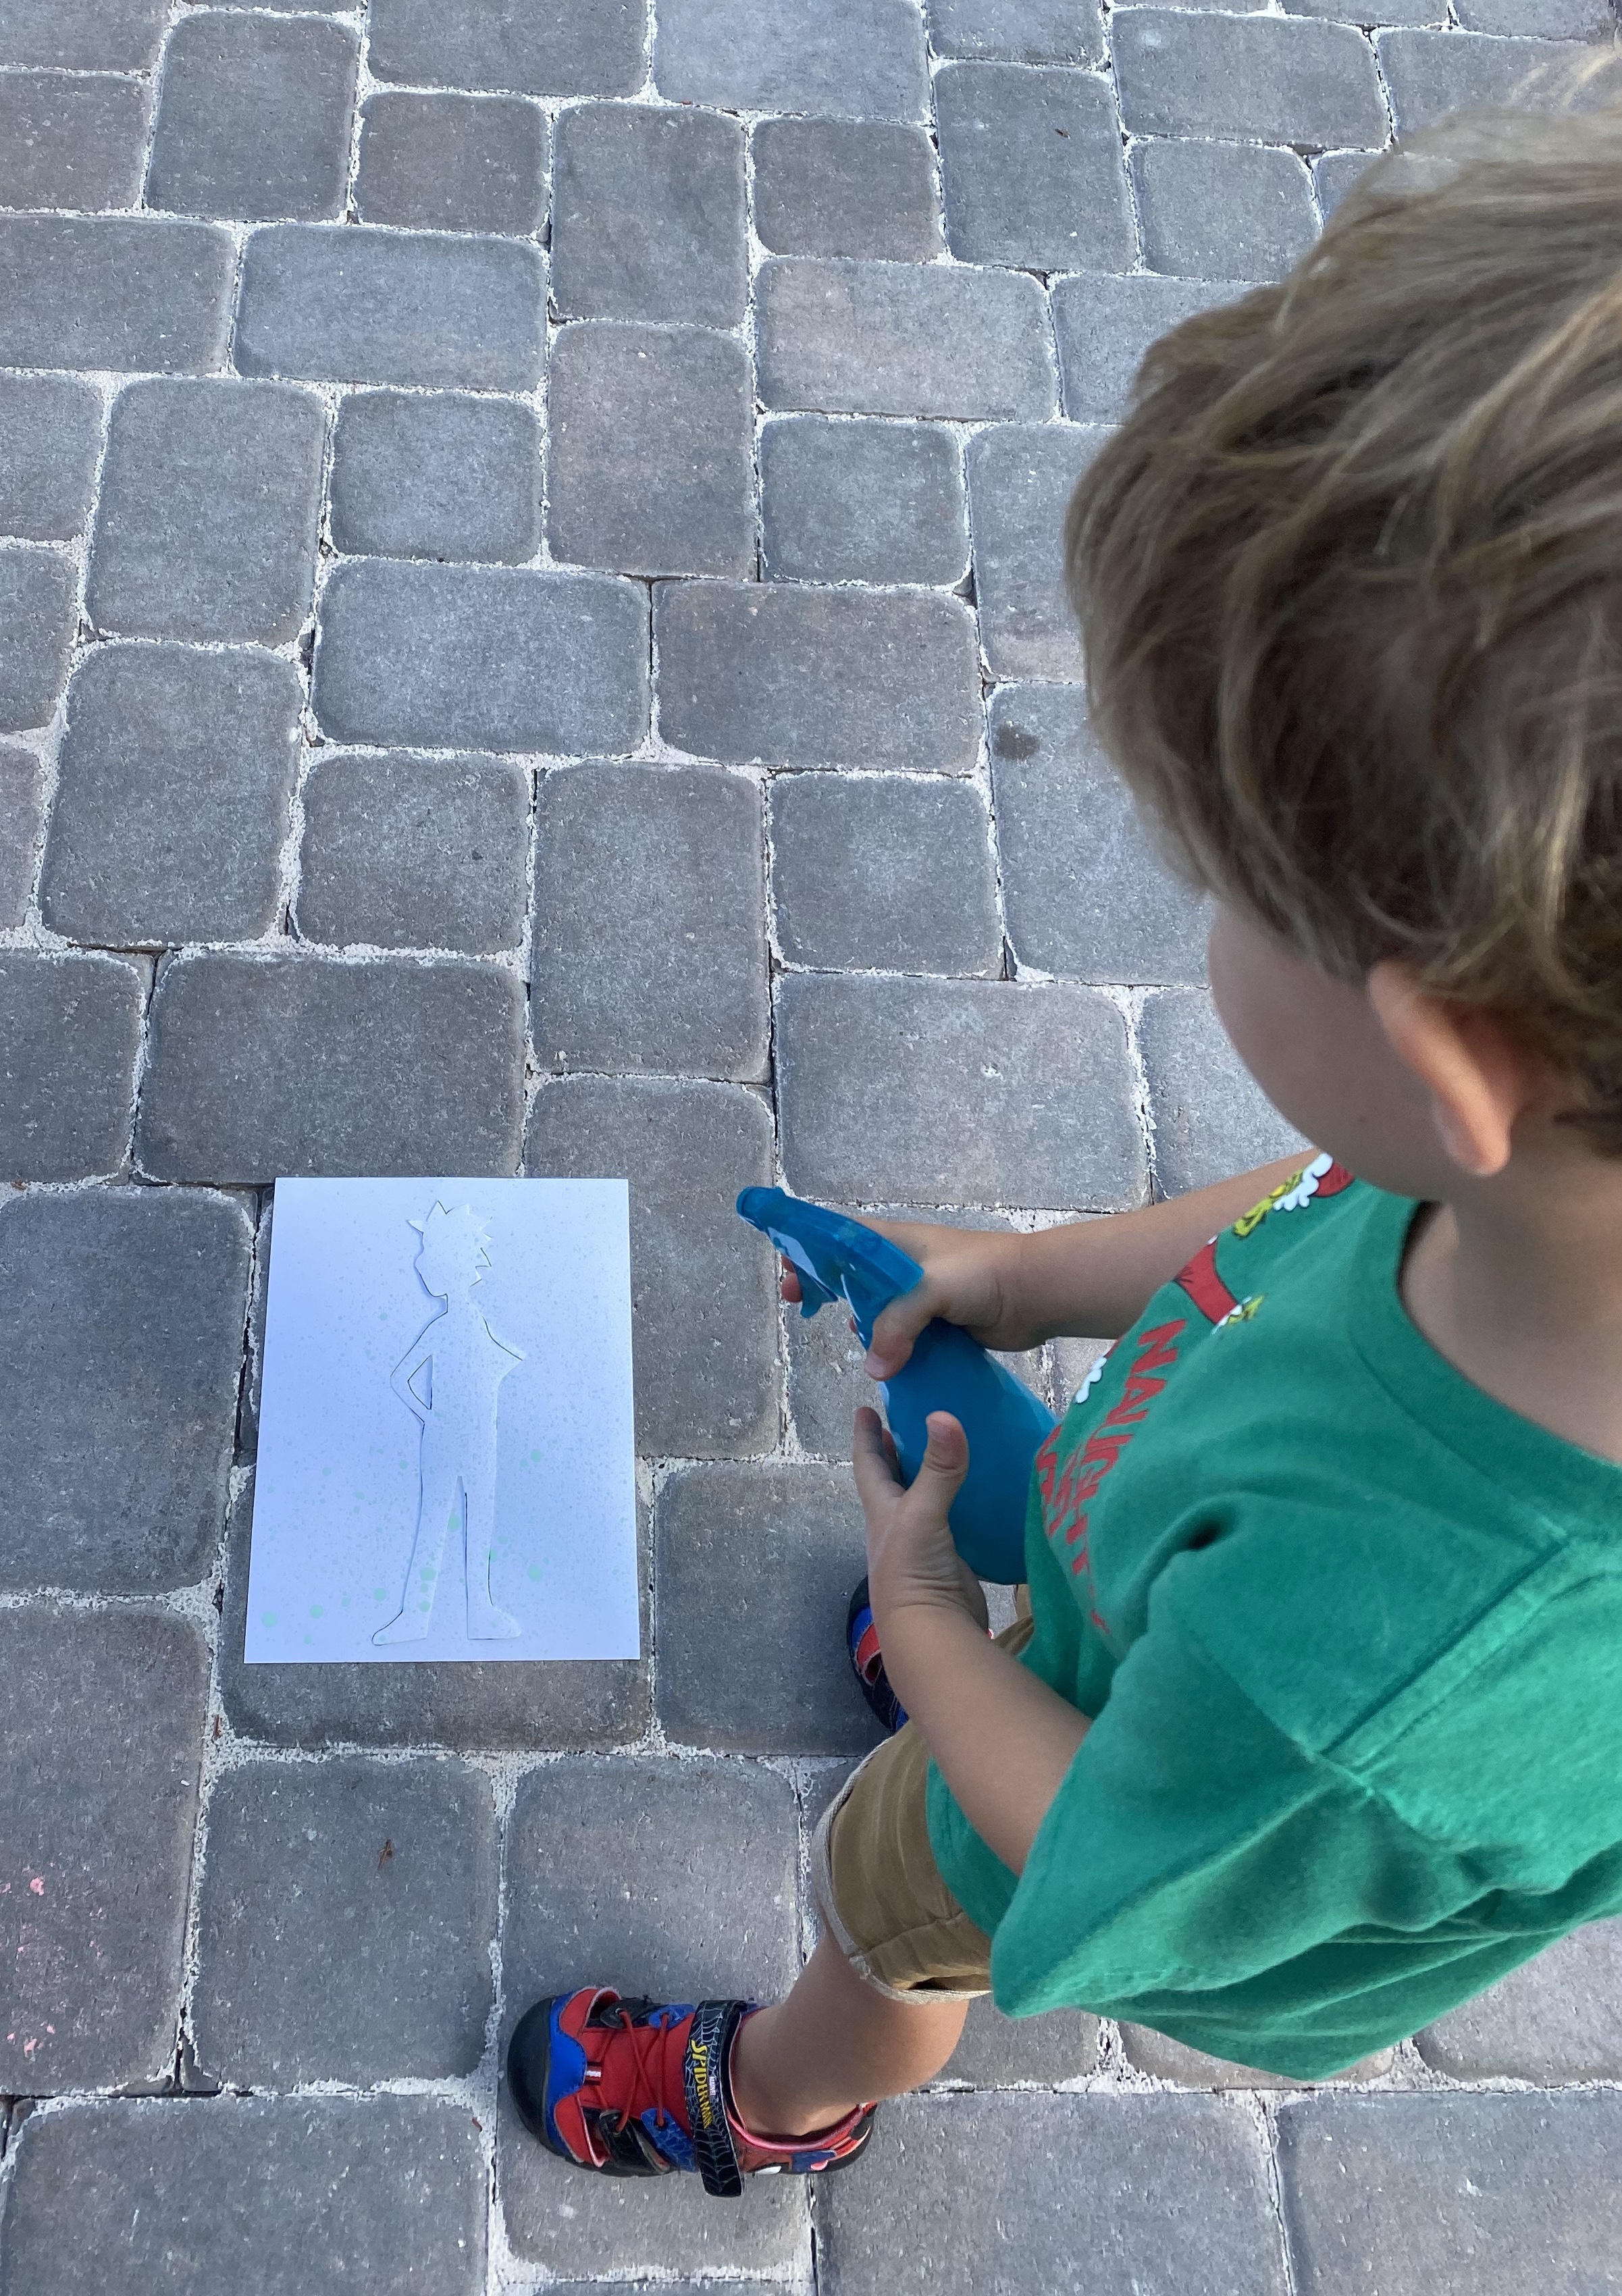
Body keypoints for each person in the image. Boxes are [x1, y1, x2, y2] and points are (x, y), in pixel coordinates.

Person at [506, 105, 1622, 2194]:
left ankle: (773, 2098)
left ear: (1445, 1060)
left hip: (1118, 1797)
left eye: (1229, 891)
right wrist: (1020, 1280)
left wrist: (937, 1631)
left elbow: (1116, 1841)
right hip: (1163, 1642)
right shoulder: (1541, 1194)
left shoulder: (1398, 1658)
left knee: (885, 1890)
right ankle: (1026, 1658)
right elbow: (1310, 1203)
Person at [374, 1201, 525, 1645]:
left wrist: (432, 1418)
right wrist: (430, 1417)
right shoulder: (449, 1326)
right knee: (445, 1521)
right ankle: (422, 1617)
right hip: (457, 1437)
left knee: (466, 1522)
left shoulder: (465, 1322)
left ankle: (469, 1614)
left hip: (468, 1436)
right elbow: (401, 1378)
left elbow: (405, 1379)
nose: (423, 1266)